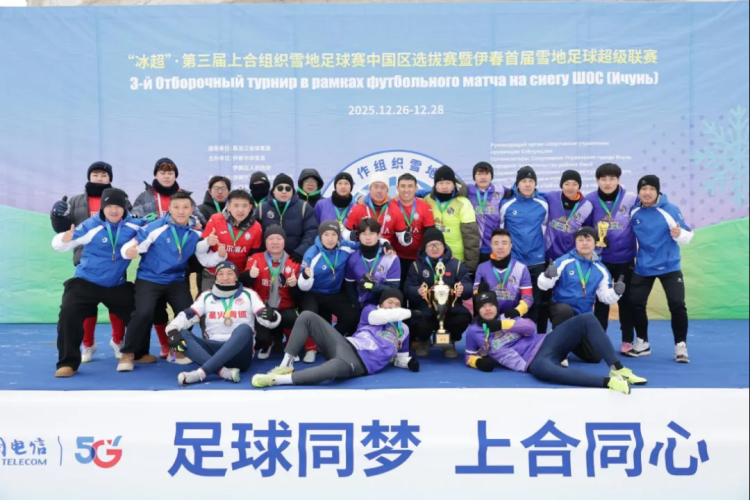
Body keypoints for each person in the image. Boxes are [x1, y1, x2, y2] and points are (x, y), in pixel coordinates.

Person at [464, 284, 647, 395]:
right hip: (532, 362)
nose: (488, 309)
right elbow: (469, 355)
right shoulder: (474, 331)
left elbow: (530, 328)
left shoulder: (506, 317)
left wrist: (502, 325)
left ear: (496, 307)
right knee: (542, 370)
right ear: (478, 310)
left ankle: (618, 369)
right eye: (483, 306)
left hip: (547, 343)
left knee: (586, 319)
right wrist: (477, 362)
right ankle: (609, 382)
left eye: (491, 305)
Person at [117, 192, 226, 372]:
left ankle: (177, 350)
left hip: (177, 279)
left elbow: (205, 260)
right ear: (169, 208)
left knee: (188, 313)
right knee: (143, 313)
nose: (181, 211)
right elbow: (135, 244)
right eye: (176, 207)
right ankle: (128, 353)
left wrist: (219, 256)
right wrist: (129, 252)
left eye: (185, 207)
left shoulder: (196, 232)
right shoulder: (156, 227)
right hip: (149, 278)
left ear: (191, 209)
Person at [51, 189, 142, 377]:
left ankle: (137, 352)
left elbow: (156, 228)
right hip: (86, 282)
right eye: (109, 206)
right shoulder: (91, 225)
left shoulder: (135, 225)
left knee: (141, 312)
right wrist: (64, 238)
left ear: (124, 208)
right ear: (103, 207)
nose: (114, 210)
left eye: (118, 206)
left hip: (116, 283)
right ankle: (67, 363)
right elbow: (61, 244)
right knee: (68, 312)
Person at [251, 289, 419, 388]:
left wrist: (408, 362)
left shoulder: (403, 329)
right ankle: (285, 365)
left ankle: (278, 380)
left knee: (329, 371)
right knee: (307, 316)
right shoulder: (371, 311)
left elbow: (400, 357)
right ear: (381, 304)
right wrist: (409, 312)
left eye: (398, 304)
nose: (394, 307)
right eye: (390, 302)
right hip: (344, 344)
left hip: (358, 363)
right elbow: (383, 317)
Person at [131, 157, 204, 357]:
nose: (166, 176)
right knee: (153, 309)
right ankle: (163, 345)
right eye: (162, 172)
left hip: (179, 260)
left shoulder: (184, 196)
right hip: (154, 258)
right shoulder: (145, 196)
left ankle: (177, 346)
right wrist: (153, 225)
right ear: (156, 175)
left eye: (170, 173)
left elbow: (199, 219)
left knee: (184, 308)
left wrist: (195, 222)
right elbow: (134, 219)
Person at [165, 261, 281, 386]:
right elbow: (188, 315)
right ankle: (223, 372)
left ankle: (200, 373)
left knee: (245, 329)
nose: (225, 278)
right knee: (181, 333)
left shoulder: (249, 294)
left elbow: (264, 318)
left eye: (230, 273)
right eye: (220, 274)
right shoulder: (206, 296)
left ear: (236, 276)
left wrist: (273, 316)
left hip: (240, 354)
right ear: (216, 277)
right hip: (213, 350)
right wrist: (172, 330)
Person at [629, 175, 694, 363]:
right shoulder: (634, 212)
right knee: (635, 303)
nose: (647, 193)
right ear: (639, 192)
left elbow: (688, 235)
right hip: (644, 266)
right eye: (643, 189)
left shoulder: (669, 209)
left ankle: (680, 346)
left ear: (657, 191)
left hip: (669, 265)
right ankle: (642, 343)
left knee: (677, 304)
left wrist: (679, 234)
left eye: (651, 189)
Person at [538, 227, 625, 363]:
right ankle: (559, 352)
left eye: (588, 239)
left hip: (583, 315)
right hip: (561, 309)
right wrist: (547, 276)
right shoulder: (564, 261)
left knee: (595, 356)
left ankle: (560, 339)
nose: (584, 243)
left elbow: (604, 297)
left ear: (595, 243)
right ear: (575, 243)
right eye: (580, 240)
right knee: (564, 310)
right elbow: (544, 286)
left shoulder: (601, 269)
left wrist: (616, 292)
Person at [584, 163, 639, 355]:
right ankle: (600, 341)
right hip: (600, 260)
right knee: (601, 301)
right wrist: (595, 238)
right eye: (603, 179)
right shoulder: (590, 200)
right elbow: (584, 227)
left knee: (626, 300)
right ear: (597, 180)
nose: (608, 183)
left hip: (625, 259)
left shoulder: (631, 198)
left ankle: (627, 341)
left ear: (618, 180)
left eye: (612, 178)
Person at [241, 226, 314, 362]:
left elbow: (299, 296)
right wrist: (249, 275)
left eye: (279, 238)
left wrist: (294, 286)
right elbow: (244, 284)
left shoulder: (294, 261)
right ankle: (268, 342)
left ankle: (291, 347)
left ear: (284, 241)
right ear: (265, 242)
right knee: (260, 339)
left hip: (285, 306)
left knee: (294, 319)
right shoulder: (256, 258)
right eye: (271, 239)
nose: (275, 242)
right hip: (263, 307)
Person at [405, 228, 473, 358]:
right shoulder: (416, 266)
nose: (434, 248)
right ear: (425, 248)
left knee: (462, 318)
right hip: (425, 308)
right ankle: (423, 340)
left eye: (438, 244)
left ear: (444, 245)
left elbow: (468, 285)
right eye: (430, 245)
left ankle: (449, 341)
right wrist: (417, 291)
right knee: (417, 320)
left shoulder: (456, 264)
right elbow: (408, 288)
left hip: (450, 308)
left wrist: (463, 289)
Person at [499, 166, 549, 332]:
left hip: (537, 260)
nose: (527, 184)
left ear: (535, 184)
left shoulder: (543, 204)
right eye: (524, 181)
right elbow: (500, 230)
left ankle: (535, 336)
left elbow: (545, 226)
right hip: (515, 261)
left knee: (536, 301)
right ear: (517, 184)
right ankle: (514, 335)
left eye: (531, 181)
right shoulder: (506, 205)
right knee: (514, 301)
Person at [298, 220, 361, 336]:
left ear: (338, 236)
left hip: (334, 292)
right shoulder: (312, 253)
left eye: (334, 234)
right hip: (314, 293)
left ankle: (332, 337)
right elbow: (303, 286)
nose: (330, 239)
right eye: (326, 234)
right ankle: (318, 341)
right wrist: (306, 277)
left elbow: (366, 244)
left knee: (353, 317)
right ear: (320, 236)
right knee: (308, 318)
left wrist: (385, 244)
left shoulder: (345, 247)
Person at [201, 189, 262, 292]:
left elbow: (253, 255)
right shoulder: (215, 219)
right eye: (236, 205)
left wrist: (248, 275)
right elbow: (201, 250)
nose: (240, 210)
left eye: (244, 206)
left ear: (250, 207)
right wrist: (206, 242)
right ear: (229, 206)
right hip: (213, 273)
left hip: (239, 274)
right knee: (207, 301)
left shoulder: (256, 227)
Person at [423, 165, 480, 272]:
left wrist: (470, 267)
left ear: (454, 185)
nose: (444, 187)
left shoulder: (463, 203)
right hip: (432, 258)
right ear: (435, 185)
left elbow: (471, 237)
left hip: (457, 259)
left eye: (448, 183)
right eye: (441, 183)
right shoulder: (427, 200)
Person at [254, 173, 318, 263]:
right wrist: (261, 254)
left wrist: (301, 251)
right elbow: (255, 234)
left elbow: (312, 231)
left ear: (292, 191)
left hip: (295, 258)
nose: (284, 191)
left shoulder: (304, 207)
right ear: (273, 191)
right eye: (280, 188)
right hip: (268, 258)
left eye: (288, 188)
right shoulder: (262, 208)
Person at [386, 173, 436, 284]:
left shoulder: (425, 207)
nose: (406, 190)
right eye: (403, 186)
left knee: (418, 291)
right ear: (397, 188)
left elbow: (429, 234)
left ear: (416, 188)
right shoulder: (389, 205)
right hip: (395, 258)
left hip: (418, 258)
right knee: (397, 291)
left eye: (410, 186)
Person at [473, 228, 533, 318]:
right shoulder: (482, 268)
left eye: (504, 243)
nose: (500, 247)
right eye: (496, 243)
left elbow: (528, 297)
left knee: (529, 325)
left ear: (511, 245)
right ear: (491, 246)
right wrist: (479, 291)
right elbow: (474, 294)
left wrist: (517, 311)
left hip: (514, 317)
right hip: (489, 317)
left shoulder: (522, 268)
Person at [345, 218, 401, 307]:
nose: (368, 238)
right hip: (361, 305)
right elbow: (350, 287)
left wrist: (371, 286)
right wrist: (356, 307)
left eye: (371, 233)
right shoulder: (353, 258)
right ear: (359, 236)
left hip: (384, 307)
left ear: (379, 235)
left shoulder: (391, 258)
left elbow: (393, 289)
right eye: (364, 234)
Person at [544, 170, 593, 261]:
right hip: (549, 253)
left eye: (574, 184)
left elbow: (588, 229)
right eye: (567, 184)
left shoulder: (586, 206)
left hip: (572, 255)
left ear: (579, 186)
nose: (570, 188)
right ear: (561, 185)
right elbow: (533, 194)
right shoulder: (551, 197)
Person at [467, 162, 507, 264]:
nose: (483, 177)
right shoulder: (468, 190)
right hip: (475, 248)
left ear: (491, 176)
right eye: (479, 174)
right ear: (474, 177)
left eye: (486, 173)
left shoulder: (500, 190)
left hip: (494, 246)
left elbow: (518, 191)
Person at [344, 172, 392, 241]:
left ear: (387, 190)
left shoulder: (394, 208)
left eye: (383, 187)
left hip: (385, 247)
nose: (379, 191)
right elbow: (346, 234)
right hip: (362, 247)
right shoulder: (358, 208)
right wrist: (351, 235)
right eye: (376, 187)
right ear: (370, 188)